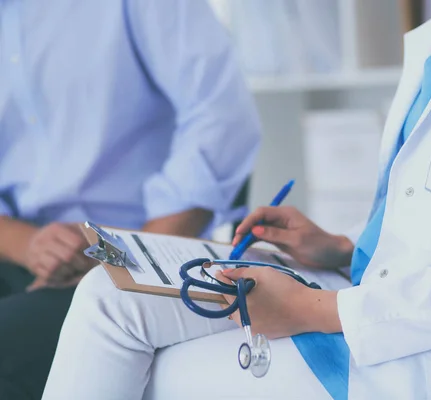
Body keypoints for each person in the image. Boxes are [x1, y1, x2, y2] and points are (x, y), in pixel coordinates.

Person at [43, 0, 431, 398]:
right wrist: (337, 248)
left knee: (160, 376)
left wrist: (313, 310)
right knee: (107, 297)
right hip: (365, 292)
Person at [0, 0, 260, 398]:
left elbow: (221, 120)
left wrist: (129, 261)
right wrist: (30, 245)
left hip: (132, 258)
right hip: (16, 251)